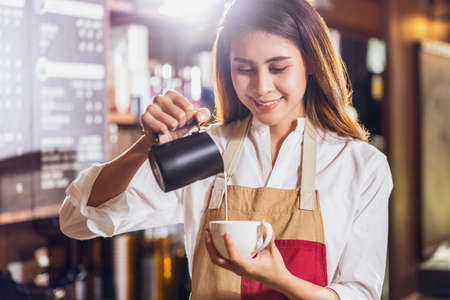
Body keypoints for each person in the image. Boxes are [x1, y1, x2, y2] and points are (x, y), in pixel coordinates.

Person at [59, 0, 393, 299]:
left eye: (278, 68)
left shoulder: (360, 166)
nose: (261, 87)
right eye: (244, 69)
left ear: (311, 63)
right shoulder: (207, 150)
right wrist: (145, 145)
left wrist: (281, 280)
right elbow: (77, 220)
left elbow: (360, 293)